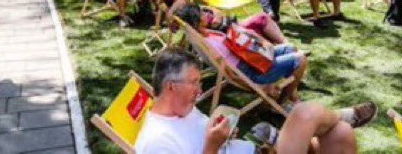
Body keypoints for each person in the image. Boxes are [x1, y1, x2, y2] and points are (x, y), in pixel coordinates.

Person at [135, 49, 376, 154]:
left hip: (257, 150)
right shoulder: (157, 142)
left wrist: (222, 137)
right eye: (194, 82)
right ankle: (342, 115)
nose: (200, 90)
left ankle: (337, 123)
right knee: (304, 114)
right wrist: (211, 147)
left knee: (341, 134)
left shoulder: (183, 111)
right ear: (171, 86)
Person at [177, 5, 308, 105]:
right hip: (251, 72)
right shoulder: (208, 45)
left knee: (291, 48)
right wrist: (259, 87)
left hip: (253, 59)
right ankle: (282, 102)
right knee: (301, 59)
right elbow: (232, 73)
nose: (206, 14)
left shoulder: (206, 34)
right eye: (202, 13)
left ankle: (291, 97)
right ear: (196, 22)